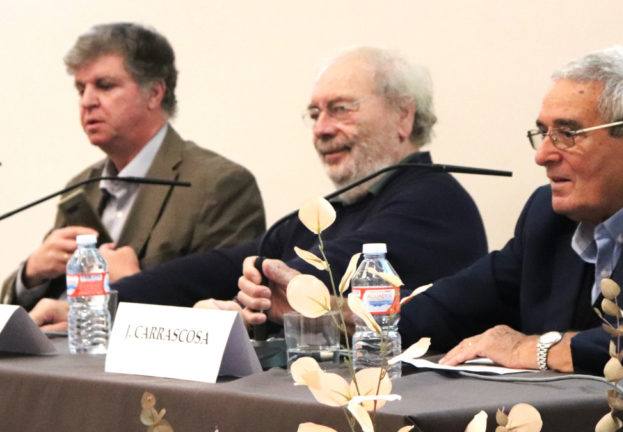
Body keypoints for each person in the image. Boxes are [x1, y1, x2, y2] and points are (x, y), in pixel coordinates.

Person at [29, 46, 488, 330]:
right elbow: (224, 265)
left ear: (404, 116)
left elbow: (297, 280)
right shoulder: (342, 205)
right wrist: (100, 305)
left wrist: (227, 306)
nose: (321, 129)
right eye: (314, 114)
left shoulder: (434, 201)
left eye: (340, 109)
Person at [399, 46, 623, 386]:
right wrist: (371, 323)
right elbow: (447, 308)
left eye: (568, 134)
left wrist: (539, 349)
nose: (542, 155)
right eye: (543, 133)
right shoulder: (549, 216)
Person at [1, 23, 265, 309]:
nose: (87, 101)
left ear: (154, 93)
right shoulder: (81, 187)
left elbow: (232, 311)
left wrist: (131, 285)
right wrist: (30, 276)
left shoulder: (220, 185)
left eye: (105, 86)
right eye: (81, 89)